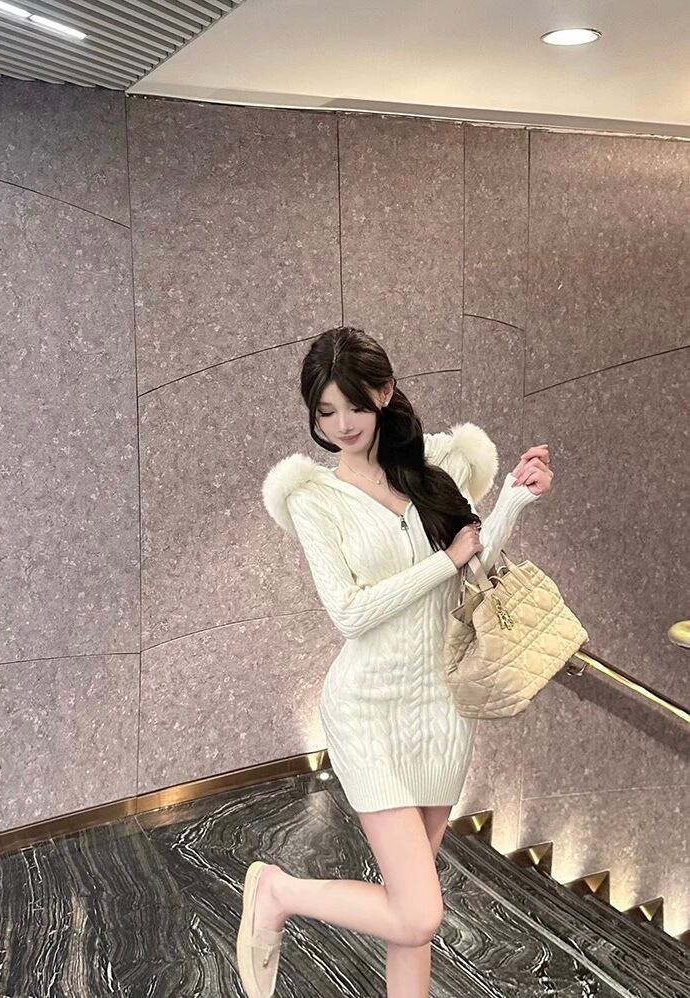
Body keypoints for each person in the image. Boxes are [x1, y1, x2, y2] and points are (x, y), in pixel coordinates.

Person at [237, 326, 553, 997]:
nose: (341, 425)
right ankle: (277, 892)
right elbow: (350, 612)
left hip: (441, 708)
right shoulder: (314, 499)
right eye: (325, 411)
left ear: (384, 392)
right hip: (368, 710)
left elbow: (472, 570)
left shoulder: (431, 470)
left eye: (354, 405)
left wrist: (512, 502)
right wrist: (445, 560)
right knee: (417, 912)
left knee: (410, 917)